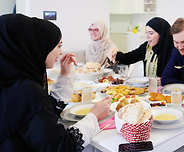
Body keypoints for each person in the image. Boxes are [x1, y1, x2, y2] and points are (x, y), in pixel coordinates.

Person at [0, 14, 111, 152]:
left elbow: (40, 114)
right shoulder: (25, 89)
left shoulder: (9, 81)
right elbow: (62, 146)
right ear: (38, 45)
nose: (60, 52)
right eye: (59, 45)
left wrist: (64, 75)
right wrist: (93, 116)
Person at [107, 17, 174, 85]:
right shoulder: (147, 47)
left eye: (151, 33)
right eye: (146, 33)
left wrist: (166, 80)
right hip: (148, 90)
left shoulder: (174, 50)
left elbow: (180, 76)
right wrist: (114, 54)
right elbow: (128, 58)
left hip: (169, 91)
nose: (147, 36)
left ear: (162, 34)